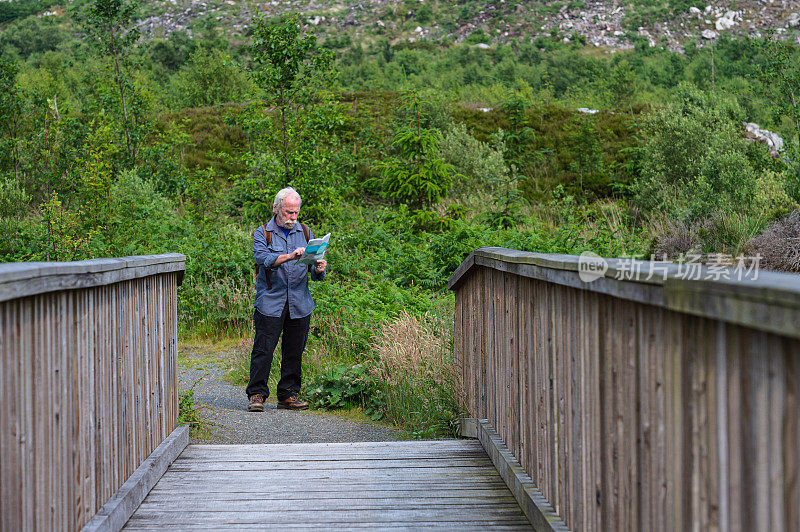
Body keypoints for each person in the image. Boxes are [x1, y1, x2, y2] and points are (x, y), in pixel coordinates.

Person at [246, 187, 327, 412]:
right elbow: (263, 259)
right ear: (276, 209)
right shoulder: (263, 233)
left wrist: (319, 268)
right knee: (263, 349)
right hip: (270, 301)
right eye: (289, 212)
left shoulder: (306, 232)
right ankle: (257, 394)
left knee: (294, 350)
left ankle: (288, 394)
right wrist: (290, 256)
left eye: (296, 213)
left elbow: (314, 273)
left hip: (300, 302)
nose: (293, 217)